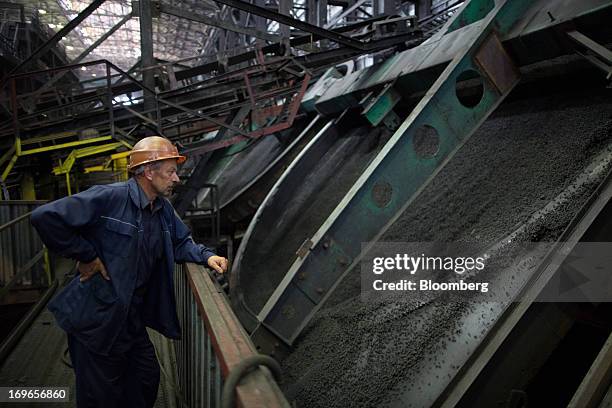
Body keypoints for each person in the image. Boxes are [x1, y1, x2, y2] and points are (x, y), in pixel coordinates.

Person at [31, 136, 228, 408]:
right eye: (171, 171)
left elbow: (181, 242)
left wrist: (207, 256)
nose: (176, 179)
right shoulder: (109, 197)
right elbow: (45, 217)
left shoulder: (162, 209)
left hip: (129, 320)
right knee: (101, 398)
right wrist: (86, 255)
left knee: (145, 379)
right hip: (96, 321)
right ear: (148, 171)